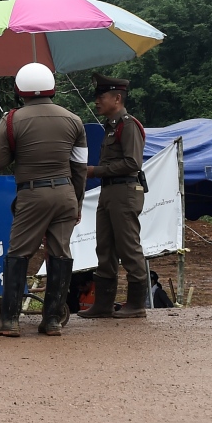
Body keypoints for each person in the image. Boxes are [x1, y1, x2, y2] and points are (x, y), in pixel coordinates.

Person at [0, 63, 88, 337]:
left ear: (19, 90)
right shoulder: (74, 120)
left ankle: (9, 320)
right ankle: (52, 320)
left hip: (32, 194)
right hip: (66, 193)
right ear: (52, 88)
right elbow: (80, 167)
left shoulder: (12, 120)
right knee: (60, 253)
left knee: (18, 252)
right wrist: (77, 202)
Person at [79, 74, 149, 319]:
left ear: (117, 98)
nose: (97, 101)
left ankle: (137, 304)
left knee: (128, 247)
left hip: (124, 191)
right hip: (109, 190)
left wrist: (95, 171)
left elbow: (132, 163)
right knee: (105, 247)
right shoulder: (111, 127)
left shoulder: (128, 125)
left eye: (102, 96)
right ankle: (103, 304)